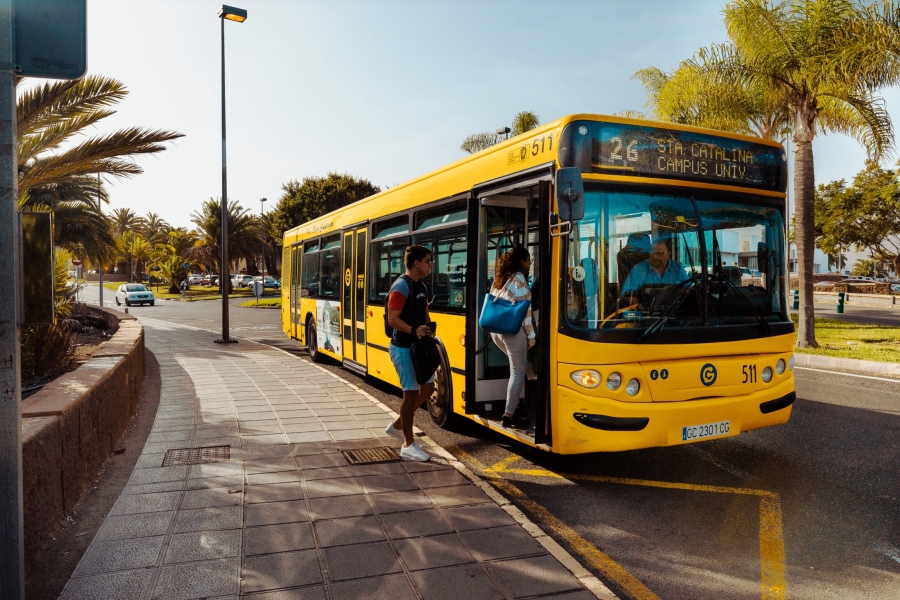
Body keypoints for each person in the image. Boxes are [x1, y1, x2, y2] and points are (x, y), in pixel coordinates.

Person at [384, 245, 435, 462]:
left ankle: (397, 426)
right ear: (416, 263)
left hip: (418, 347)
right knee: (411, 393)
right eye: (428, 260)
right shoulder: (401, 286)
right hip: (403, 347)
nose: (430, 264)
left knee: (428, 387)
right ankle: (408, 444)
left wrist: (428, 327)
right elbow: (392, 319)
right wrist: (414, 330)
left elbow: (423, 312)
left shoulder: (421, 286)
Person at [489, 246, 535, 428]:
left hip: (496, 331)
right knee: (518, 372)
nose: (530, 263)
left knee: (516, 369)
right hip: (512, 332)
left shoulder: (500, 279)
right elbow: (526, 311)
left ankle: (515, 407)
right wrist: (531, 336)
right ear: (522, 261)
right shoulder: (519, 278)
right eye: (528, 259)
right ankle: (508, 415)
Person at [622, 237, 688, 294]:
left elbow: (689, 287)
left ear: (668, 254)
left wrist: (677, 293)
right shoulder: (639, 269)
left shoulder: (678, 268)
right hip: (647, 307)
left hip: (673, 307)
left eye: (660, 253)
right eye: (654, 253)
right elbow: (627, 293)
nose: (656, 257)